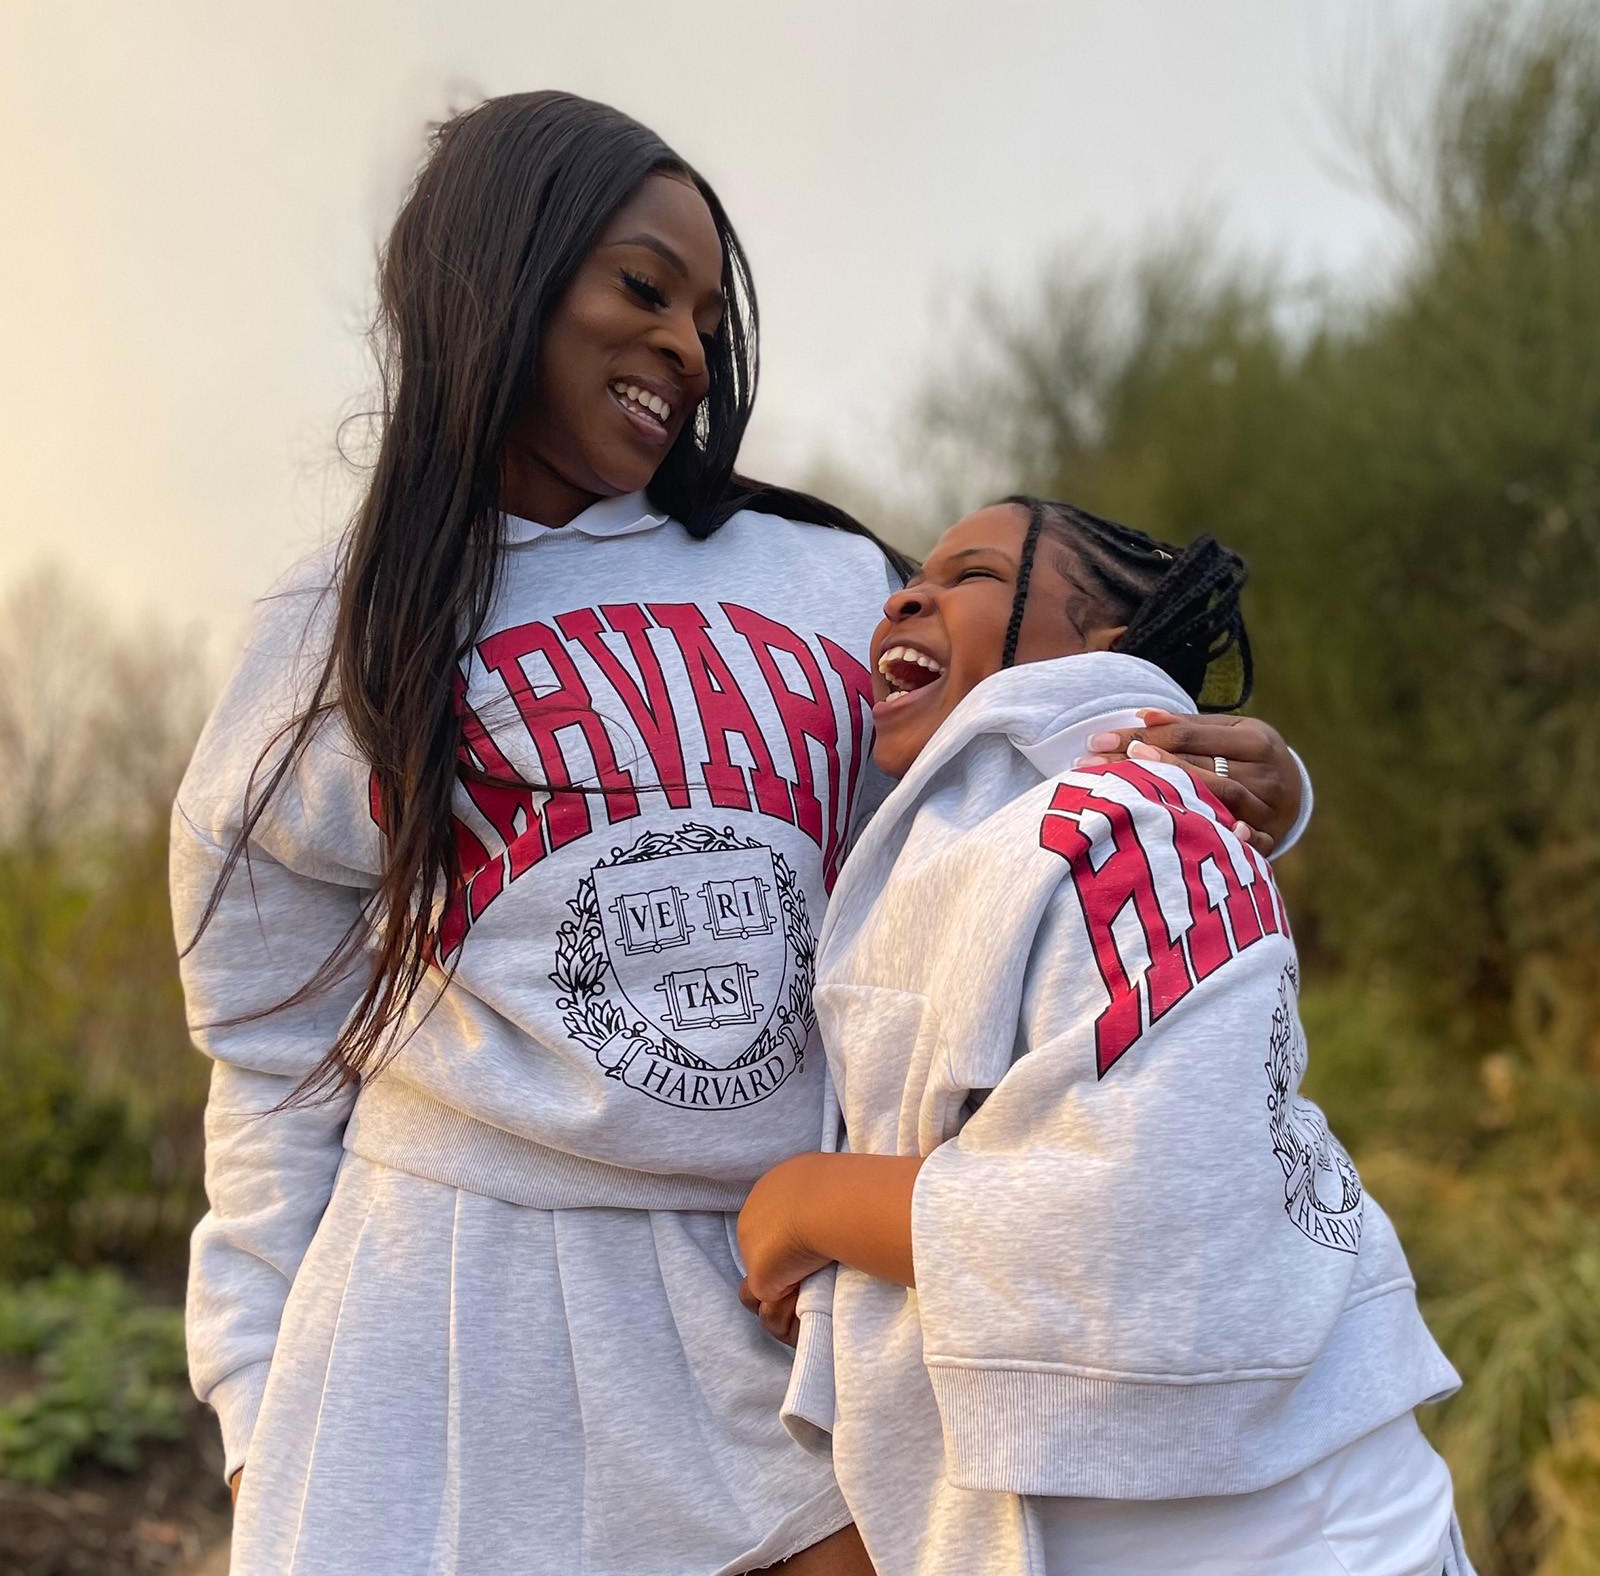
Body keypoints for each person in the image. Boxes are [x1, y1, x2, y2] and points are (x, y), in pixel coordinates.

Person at [173, 90, 1308, 1576]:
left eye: (707, 315)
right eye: (644, 288)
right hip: (438, 1316)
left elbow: (1028, 779)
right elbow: (267, 1052)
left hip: (766, 1290)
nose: (688, 347)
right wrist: (258, 1405)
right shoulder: (339, 629)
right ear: (494, 277)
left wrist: (1257, 792)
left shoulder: (826, 579)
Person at [736, 497, 1473, 1576]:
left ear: (1101, 648)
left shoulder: (1127, 816)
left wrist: (809, 1205)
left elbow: (1153, 1201)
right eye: (914, 578)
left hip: (1281, 1532)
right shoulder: (954, 847)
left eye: (973, 573)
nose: (907, 595)